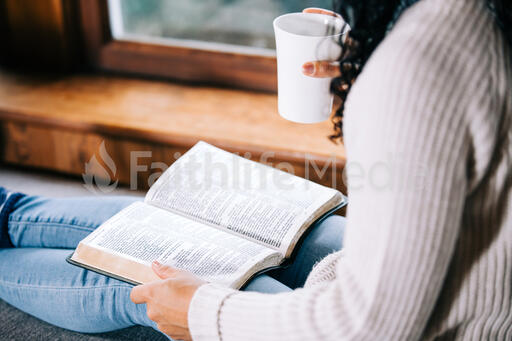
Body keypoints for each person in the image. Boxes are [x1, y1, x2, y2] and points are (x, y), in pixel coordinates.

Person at [1, 0, 511, 340]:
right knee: (226, 229)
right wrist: (372, 57)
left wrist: (202, 313)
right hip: (477, 287)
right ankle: (10, 209)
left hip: (451, 325)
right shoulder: (476, 18)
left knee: (159, 277)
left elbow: (368, 330)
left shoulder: (416, 67)